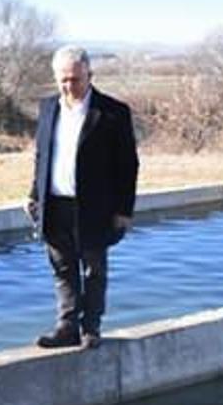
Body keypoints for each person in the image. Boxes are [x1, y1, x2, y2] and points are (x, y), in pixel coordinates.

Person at [27, 46, 140, 349]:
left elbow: (128, 165)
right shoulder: (48, 108)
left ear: (90, 75)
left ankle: (90, 327)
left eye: (75, 79)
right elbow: (41, 155)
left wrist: (124, 210)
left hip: (95, 207)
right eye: (63, 80)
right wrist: (33, 196)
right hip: (55, 203)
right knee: (62, 269)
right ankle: (67, 327)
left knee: (94, 269)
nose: (69, 86)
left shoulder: (113, 112)